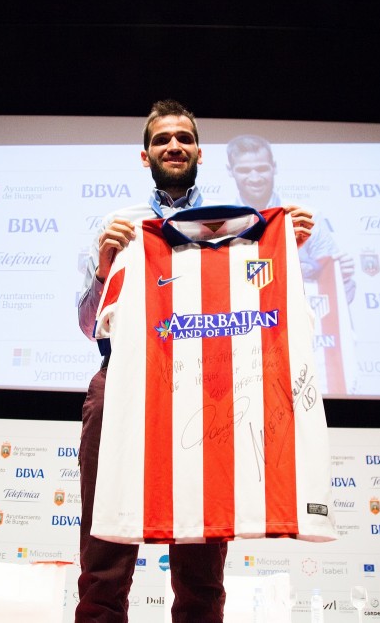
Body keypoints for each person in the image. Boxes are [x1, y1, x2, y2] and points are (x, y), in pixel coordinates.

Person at [75, 100, 315, 622]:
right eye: (162, 140)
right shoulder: (119, 226)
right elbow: (86, 323)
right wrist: (102, 267)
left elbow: (262, 300)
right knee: (105, 550)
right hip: (123, 383)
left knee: (203, 553)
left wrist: (283, 248)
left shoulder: (240, 224)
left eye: (183, 137)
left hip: (207, 384)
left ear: (200, 152)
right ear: (146, 156)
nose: (174, 146)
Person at [225, 134, 355, 302]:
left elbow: (343, 296)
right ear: (230, 171)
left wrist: (340, 276)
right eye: (244, 170)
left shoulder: (308, 217)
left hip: (295, 320)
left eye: (262, 169)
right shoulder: (220, 222)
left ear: (274, 167)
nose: (255, 178)